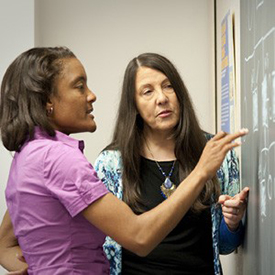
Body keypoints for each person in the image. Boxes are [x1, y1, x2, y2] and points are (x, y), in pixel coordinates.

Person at [0, 47, 247, 274]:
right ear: (48, 102)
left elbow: (12, 243)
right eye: (79, 86)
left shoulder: (30, 154)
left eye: (168, 86)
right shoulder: (63, 159)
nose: (92, 95)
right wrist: (201, 171)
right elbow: (139, 236)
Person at [93, 53, 249, 275]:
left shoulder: (215, 152)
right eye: (148, 91)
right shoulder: (111, 163)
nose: (161, 98)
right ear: (134, 105)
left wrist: (232, 222)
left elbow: (224, 246)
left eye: (168, 86)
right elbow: (103, 244)